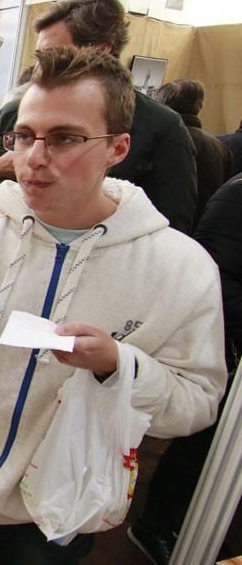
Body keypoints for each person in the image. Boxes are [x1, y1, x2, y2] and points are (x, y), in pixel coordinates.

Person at [0, 47, 226, 563]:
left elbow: (199, 402)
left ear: (118, 147)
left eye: (65, 138)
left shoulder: (179, 268)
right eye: (24, 136)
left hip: (54, 513)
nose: (34, 158)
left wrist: (119, 367)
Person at [0, 0, 198, 234]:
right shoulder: (14, 110)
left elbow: (170, 226)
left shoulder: (161, 126)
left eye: (66, 139)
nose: (39, 69)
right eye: (25, 136)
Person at [127, 172, 242, 564]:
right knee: (200, 451)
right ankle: (159, 524)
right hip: (225, 345)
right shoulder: (235, 196)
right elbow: (221, 279)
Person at [155, 79, 232, 227]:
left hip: (155, 227)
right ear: (201, 106)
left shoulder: (154, 138)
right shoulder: (220, 147)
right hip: (196, 231)